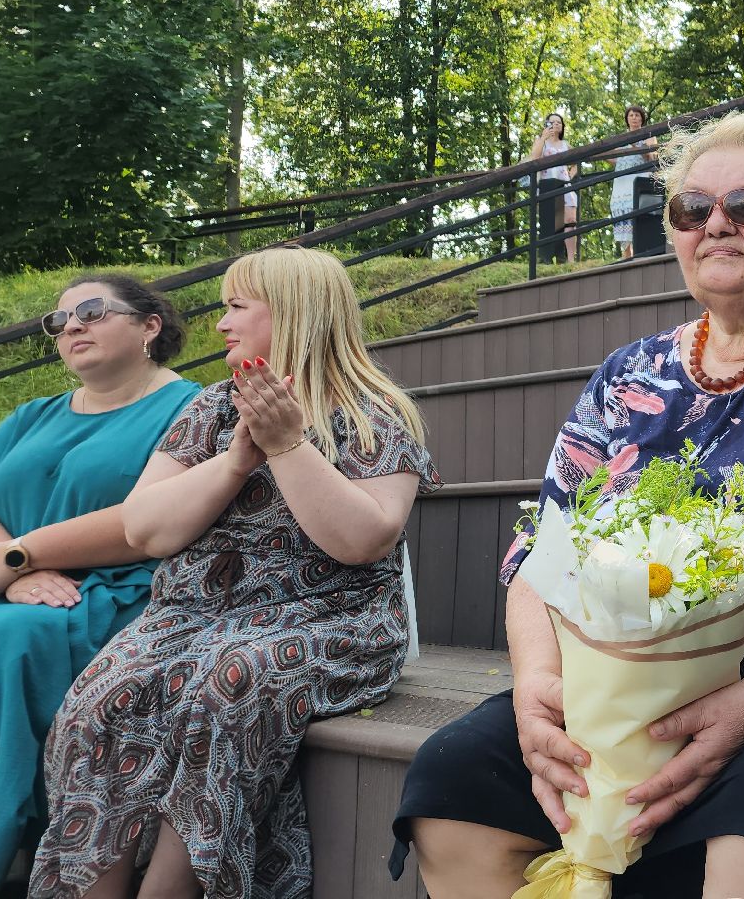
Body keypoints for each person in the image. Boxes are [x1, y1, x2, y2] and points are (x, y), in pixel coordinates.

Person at [394, 112, 744, 899]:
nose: (717, 224)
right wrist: (543, 691)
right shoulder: (627, 372)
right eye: (691, 209)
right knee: (453, 779)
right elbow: (547, 544)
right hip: (617, 677)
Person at [27, 247, 438, 899]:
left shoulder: (373, 410)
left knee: (224, 689)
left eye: (237, 307)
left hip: (332, 615)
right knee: (98, 703)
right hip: (191, 615)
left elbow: (363, 540)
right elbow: (146, 529)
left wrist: (288, 446)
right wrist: (232, 464)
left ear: (295, 313)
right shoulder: (213, 408)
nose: (221, 322)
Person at [0, 277, 198, 879]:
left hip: (118, 591)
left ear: (149, 326)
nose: (71, 327)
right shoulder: (31, 416)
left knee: (17, 637)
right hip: (23, 587)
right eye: (57, 323)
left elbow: (145, 520)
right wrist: (14, 571)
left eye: (89, 311)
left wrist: (18, 562)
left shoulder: (190, 407)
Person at [611, 104, 661, 260]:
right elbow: (613, 158)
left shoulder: (650, 136)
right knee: (623, 211)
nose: (634, 118)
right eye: (631, 115)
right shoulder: (620, 138)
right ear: (627, 119)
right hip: (622, 180)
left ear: (642, 118)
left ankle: (643, 250)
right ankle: (626, 255)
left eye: (637, 115)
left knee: (640, 210)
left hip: (640, 179)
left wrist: (637, 145)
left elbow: (652, 157)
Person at [530, 112, 579, 264]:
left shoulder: (566, 145)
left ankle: (570, 259)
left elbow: (576, 163)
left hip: (564, 185)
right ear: (546, 125)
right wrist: (543, 138)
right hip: (547, 185)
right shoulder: (541, 142)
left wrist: (569, 175)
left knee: (570, 220)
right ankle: (547, 257)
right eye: (552, 122)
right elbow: (534, 158)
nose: (556, 124)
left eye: (559, 122)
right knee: (550, 222)